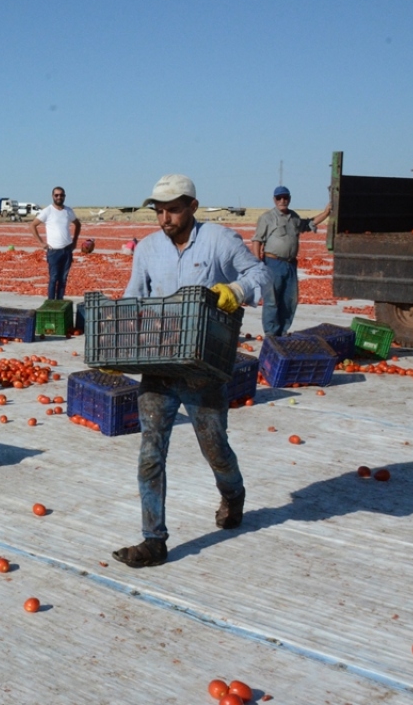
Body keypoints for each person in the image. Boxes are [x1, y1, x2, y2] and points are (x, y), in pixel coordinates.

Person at [112, 174, 271, 569]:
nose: (164, 218)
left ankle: (233, 494)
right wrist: (118, 338)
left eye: (173, 210)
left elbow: (260, 275)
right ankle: (154, 540)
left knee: (215, 450)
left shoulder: (219, 240)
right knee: (151, 452)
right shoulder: (147, 249)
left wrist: (236, 291)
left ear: (192, 207)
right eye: (159, 211)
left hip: (204, 368)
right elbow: (134, 297)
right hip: (159, 366)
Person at [251, 186, 330, 337]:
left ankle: (282, 332)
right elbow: (257, 240)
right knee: (272, 300)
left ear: (289, 199)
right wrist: (258, 263)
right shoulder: (267, 218)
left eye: (285, 197)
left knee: (289, 300)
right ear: (274, 200)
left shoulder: (294, 217)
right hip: (273, 263)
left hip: (290, 265)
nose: (282, 200)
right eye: (279, 198)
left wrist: (326, 212)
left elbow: (309, 224)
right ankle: (271, 333)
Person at [31, 187, 82, 299]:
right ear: (52, 196)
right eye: (56, 195)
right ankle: (51, 302)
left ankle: (59, 301)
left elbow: (78, 224)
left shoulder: (68, 211)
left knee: (63, 279)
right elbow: (33, 225)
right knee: (54, 278)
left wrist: (75, 241)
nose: (59, 197)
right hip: (54, 251)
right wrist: (41, 242)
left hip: (67, 250)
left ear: (64, 196)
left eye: (61, 195)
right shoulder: (47, 211)